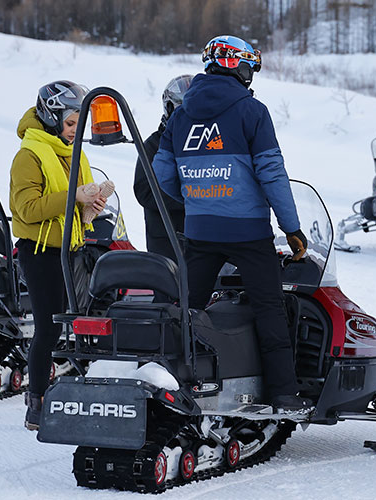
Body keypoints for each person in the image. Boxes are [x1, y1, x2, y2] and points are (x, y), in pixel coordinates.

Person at [152, 35, 311, 414]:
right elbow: (272, 173)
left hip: (200, 231)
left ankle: (168, 383)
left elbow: (162, 173)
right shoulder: (252, 112)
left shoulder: (180, 115)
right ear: (235, 65)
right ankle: (284, 395)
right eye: (247, 67)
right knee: (270, 309)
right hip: (248, 233)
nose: (249, 76)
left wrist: (196, 200)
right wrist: (292, 228)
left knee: (185, 311)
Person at [9, 80, 106, 430]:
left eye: (80, 124)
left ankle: (83, 394)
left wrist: (91, 206)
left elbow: (76, 205)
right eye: (69, 124)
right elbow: (26, 208)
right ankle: (35, 401)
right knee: (49, 328)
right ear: (51, 119)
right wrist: (73, 197)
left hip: (72, 250)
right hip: (40, 253)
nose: (75, 131)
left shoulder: (74, 152)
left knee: (81, 322)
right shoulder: (29, 155)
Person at [134, 75, 190, 269]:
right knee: (169, 294)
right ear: (169, 108)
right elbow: (144, 191)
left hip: (203, 235)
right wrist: (193, 196)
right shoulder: (152, 145)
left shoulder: (207, 144)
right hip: (166, 238)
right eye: (183, 109)